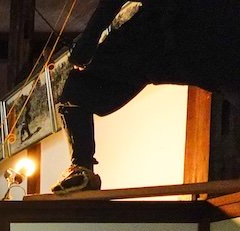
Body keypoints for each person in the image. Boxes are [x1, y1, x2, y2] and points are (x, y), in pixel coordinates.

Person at [52, 0, 240, 194]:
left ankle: (82, 167)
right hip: (204, 29)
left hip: (166, 30)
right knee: (77, 89)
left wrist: (88, 40)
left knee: (77, 89)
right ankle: (82, 168)